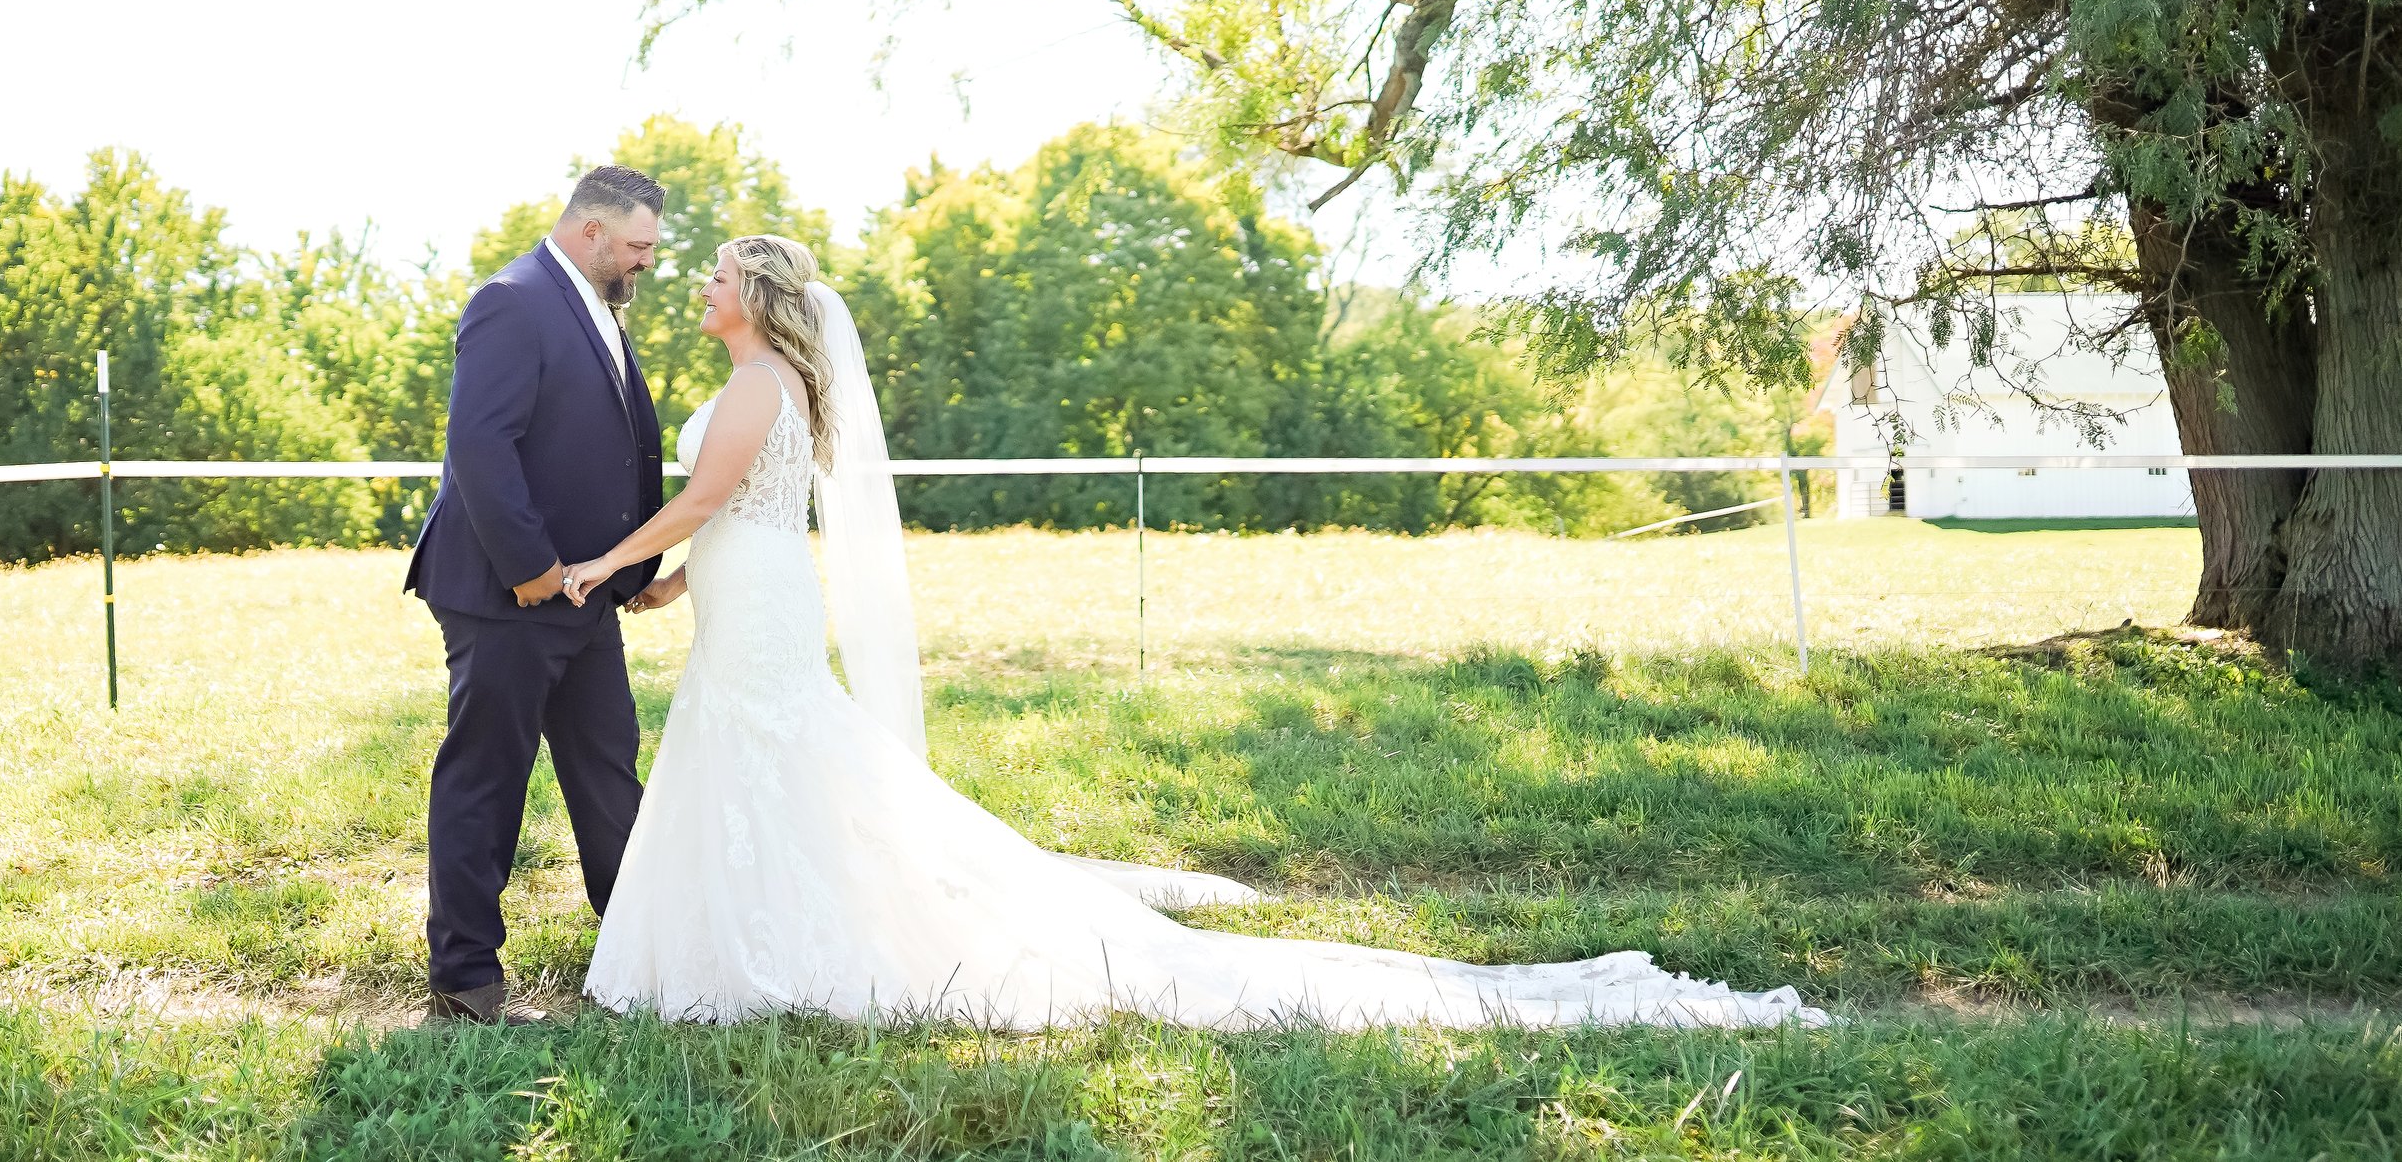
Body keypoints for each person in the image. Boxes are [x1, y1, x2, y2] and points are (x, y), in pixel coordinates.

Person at [560, 234, 1825, 1029]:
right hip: (750, 592)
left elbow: (709, 496)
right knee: (774, 762)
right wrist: (667, 587)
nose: (704, 282)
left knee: (781, 756)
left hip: (763, 600)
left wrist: (608, 560)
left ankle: (782, 944)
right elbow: (735, 518)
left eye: (719, 271)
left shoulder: (752, 383)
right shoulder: (765, 385)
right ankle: (754, 932)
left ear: (757, 297)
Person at [403, 165, 669, 1024]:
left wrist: (625, 569)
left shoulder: (599, 310)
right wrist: (530, 570)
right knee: (487, 778)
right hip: (506, 592)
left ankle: (642, 953)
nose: (647, 264)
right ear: (592, 233)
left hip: (584, 595)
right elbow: (480, 444)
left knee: (607, 768)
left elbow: (613, 448)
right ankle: (465, 978)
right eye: (637, 247)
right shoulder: (511, 300)